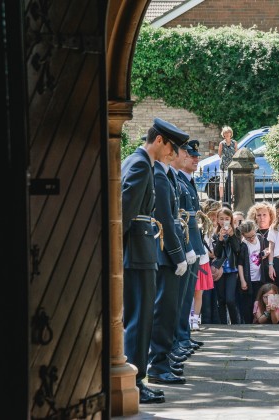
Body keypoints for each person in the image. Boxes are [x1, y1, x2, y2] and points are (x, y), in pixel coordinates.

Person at [121, 118, 181, 403]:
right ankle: (133, 382)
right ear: (159, 141)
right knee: (139, 320)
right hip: (138, 253)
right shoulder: (141, 164)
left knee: (139, 318)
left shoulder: (137, 162)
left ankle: (134, 380)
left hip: (139, 250)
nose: (173, 153)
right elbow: (123, 211)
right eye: (171, 147)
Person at [147, 124, 191, 387]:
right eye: (173, 148)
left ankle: (162, 360)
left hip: (167, 251)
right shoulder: (159, 176)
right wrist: (178, 255)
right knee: (163, 311)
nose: (176, 154)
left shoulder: (165, 175)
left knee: (169, 310)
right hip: (164, 253)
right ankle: (158, 364)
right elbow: (164, 218)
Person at [170, 139, 206, 360]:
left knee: (185, 297)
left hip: (192, 242)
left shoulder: (187, 181)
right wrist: (189, 247)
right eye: (190, 155)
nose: (195, 159)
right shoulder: (178, 181)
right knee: (181, 297)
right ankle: (179, 338)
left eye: (195, 156)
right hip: (185, 243)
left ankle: (182, 336)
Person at [212, 207, 242, 324]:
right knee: (221, 299)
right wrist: (219, 239)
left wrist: (232, 236)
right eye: (221, 218)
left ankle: (235, 323)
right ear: (218, 220)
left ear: (231, 219)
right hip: (220, 270)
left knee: (230, 299)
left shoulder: (236, 232)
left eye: (227, 218)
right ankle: (223, 324)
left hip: (232, 270)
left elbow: (237, 249)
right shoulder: (215, 233)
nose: (224, 221)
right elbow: (217, 253)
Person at [236, 220, 266, 323]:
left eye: (253, 235)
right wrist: (243, 280)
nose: (251, 238)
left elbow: (266, 251)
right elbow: (240, 264)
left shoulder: (261, 239)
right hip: (249, 279)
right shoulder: (244, 244)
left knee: (258, 301)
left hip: (260, 277)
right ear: (243, 235)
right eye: (248, 237)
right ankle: (248, 323)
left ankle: (258, 320)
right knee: (248, 303)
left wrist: (265, 253)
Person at [200, 199, 223, 325]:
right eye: (212, 214)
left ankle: (216, 321)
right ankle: (206, 321)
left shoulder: (219, 228)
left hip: (217, 263)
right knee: (206, 297)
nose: (214, 217)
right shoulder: (204, 228)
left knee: (216, 297)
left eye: (216, 214)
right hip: (205, 263)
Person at [246, 201, 275, 282]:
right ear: (254, 217)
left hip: (273, 269)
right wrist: (262, 254)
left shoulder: (275, 231)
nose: (262, 218)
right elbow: (250, 258)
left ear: (270, 216)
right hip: (256, 274)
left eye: (264, 215)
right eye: (259, 215)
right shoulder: (251, 234)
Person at [217, 126, 236, 203]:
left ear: (231, 133)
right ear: (223, 134)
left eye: (228, 132)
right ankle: (221, 198)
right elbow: (219, 154)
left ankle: (233, 197)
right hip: (223, 165)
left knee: (232, 182)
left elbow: (236, 153)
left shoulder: (234, 143)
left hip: (232, 165)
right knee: (222, 182)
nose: (227, 134)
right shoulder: (221, 143)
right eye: (225, 133)